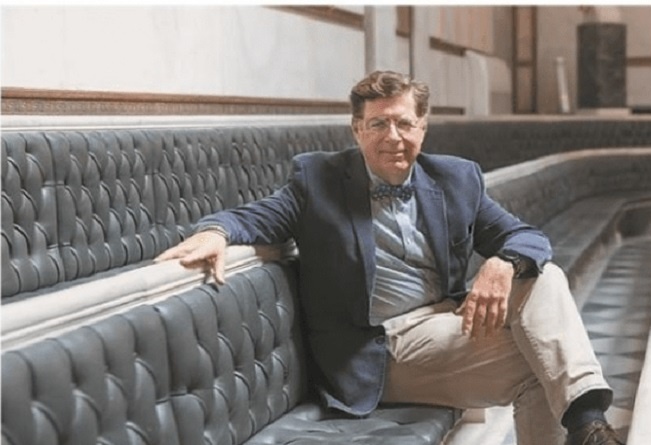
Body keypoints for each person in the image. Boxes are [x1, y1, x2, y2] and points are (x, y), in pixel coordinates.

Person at [156, 70, 624, 445]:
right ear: (357, 130)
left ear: (423, 127)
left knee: (543, 281)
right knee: (545, 366)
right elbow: (259, 216)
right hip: (381, 351)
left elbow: (526, 237)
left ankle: (586, 423)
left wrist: (502, 263)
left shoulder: (456, 179)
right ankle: (588, 422)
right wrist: (216, 232)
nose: (392, 136)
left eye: (404, 123)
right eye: (378, 124)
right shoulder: (317, 179)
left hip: (446, 325)